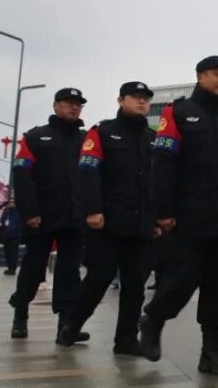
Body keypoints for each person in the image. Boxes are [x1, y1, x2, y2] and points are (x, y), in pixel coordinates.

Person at [138, 56, 218, 374]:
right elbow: (163, 164)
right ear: (200, 77)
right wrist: (164, 211)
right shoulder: (179, 113)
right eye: (216, 74)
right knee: (181, 280)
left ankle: (210, 352)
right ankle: (154, 319)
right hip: (190, 217)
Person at [58, 82, 155, 355]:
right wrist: (92, 210)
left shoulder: (152, 137)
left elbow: (157, 181)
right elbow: (87, 173)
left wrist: (156, 219)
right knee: (98, 280)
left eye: (146, 98)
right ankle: (71, 326)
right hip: (107, 223)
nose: (142, 102)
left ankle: (126, 339)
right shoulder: (102, 132)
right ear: (121, 100)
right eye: (136, 97)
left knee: (135, 285)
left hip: (139, 225)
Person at [9, 88, 89, 341]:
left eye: (78, 104)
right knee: (33, 270)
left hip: (74, 217)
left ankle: (66, 325)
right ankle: (20, 312)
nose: (74, 107)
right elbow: (22, 176)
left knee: (69, 272)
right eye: (68, 103)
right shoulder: (34, 137)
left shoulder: (87, 139)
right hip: (41, 218)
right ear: (56, 106)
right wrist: (29, 212)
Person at [0, 201, 23, 275]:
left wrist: (19, 237)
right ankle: (9, 267)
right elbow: (2, 222)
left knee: (13, 254)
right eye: (9, 203)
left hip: (14, 237)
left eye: (12, 202)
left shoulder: (18, 212)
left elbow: (20, 225)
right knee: (7, 253)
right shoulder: (6, 212)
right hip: (6, 236)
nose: (11, 204)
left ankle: (13, 268)